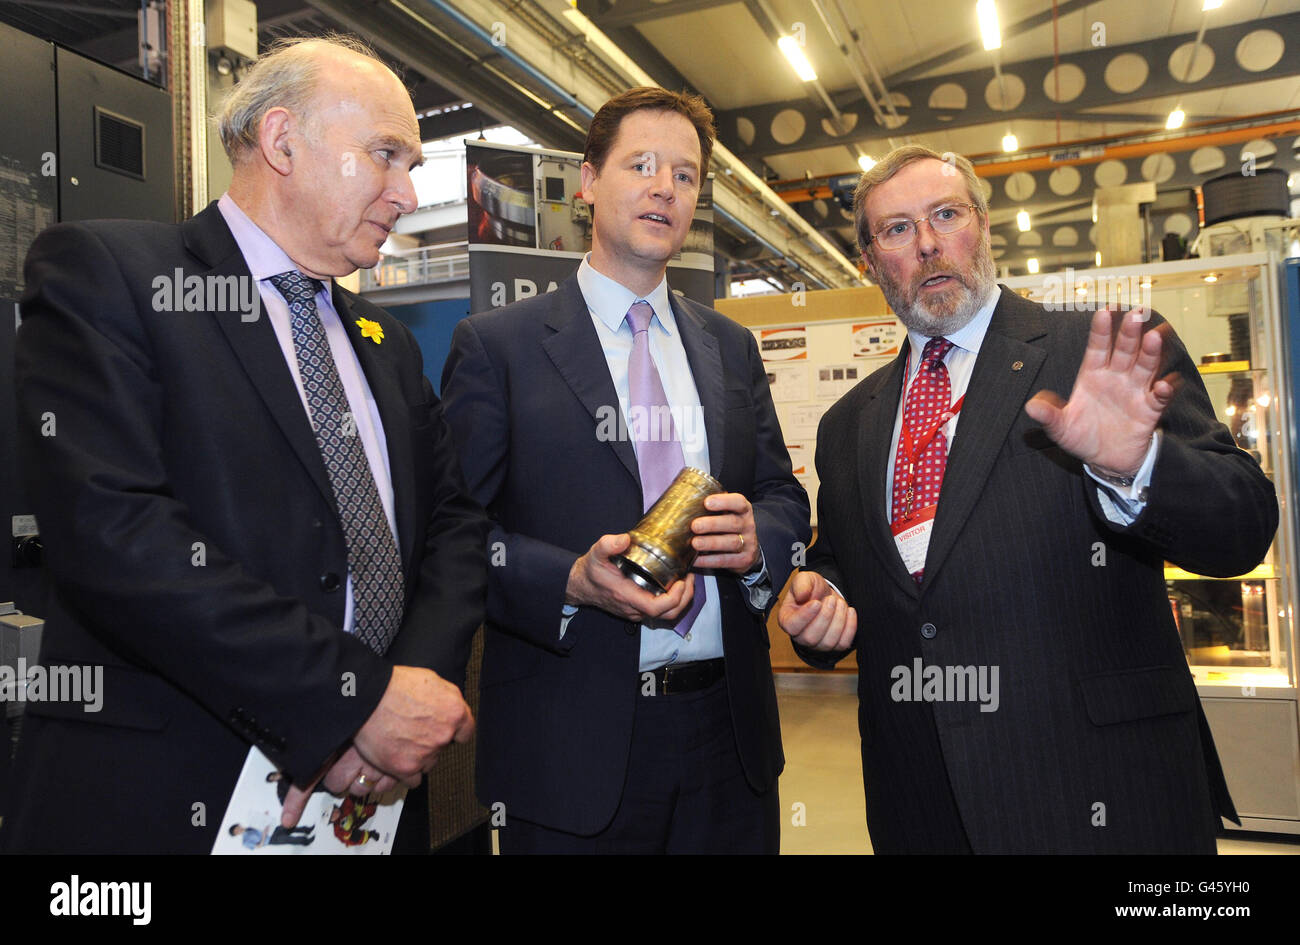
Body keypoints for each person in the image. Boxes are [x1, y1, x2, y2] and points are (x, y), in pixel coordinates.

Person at [0, 35, 486, 854]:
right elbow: (114, 532)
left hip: (372, 800)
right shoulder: (110, 276)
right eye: (385, 156)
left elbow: (454, 527)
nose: (406, 193)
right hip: (162, 796)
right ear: (282, 140)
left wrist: (406, 701)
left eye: (413, 167)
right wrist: (350, 702)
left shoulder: (384, 343)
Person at [778, 145, 1278, 854]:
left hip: (1100, 793)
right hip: (921, 803)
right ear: (869, 261)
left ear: (982, 226)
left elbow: (1243, 525)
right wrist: (818, 605)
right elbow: (849, 574)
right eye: (895, 229)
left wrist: (1140, 466)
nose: (926, 243)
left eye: (945, 214)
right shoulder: (847, 424)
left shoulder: (1102, 352)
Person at [440, 87, 810, 853]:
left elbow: (780, 493)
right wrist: (569, 579)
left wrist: (759, 542)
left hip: (728, 740)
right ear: (587, 181)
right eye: (640, 164)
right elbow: (455, 535)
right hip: (570, 747)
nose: (663, 187)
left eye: (684, 174)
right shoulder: (498, 347)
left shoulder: (729, 347)